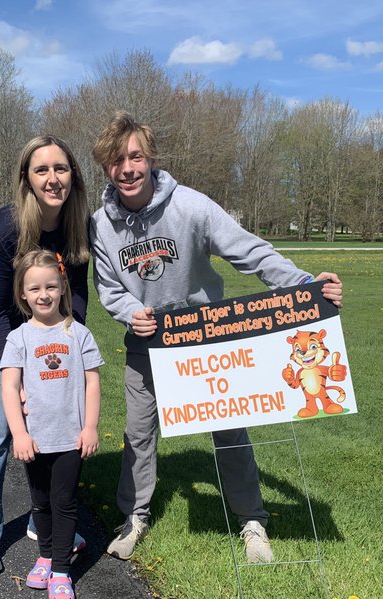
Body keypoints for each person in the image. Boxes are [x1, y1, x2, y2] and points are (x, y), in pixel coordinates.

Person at [90, 111, 343, 562]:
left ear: (151, 159)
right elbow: (108, 287)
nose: (127, 168)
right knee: (138, 434)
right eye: (116, 160)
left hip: (205, 338)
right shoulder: (100, 225)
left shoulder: (191, 206)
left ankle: (253, 521)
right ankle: (134, 517)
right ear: (106, 168)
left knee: (230, 432)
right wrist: (131, 313)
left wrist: (306, 284)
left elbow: (249, 250)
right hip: (147, 344)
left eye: (135, 157)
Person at [0, 135, 90, 574]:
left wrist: (72, 342)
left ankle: (45, 521)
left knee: (53, 419)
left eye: (61, 168)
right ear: (27, 178)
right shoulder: (7, 226)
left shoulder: (77, 225)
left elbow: (77, 295)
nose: (53, 178)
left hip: (48, 330)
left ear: (73, 175)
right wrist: (17, 372)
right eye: (42, 170)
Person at [0, 250, 103, 599]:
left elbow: (93, 383)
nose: (43, 295)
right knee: (40, 503)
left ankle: (61, 571)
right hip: (35, 440)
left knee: (64, 502)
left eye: (50, 287)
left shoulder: (80, 334)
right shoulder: (18, 338)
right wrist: (19, 433)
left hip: (71, 439)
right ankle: (45, 555)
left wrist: (91, 427)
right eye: (34, 288)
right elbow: (10, 388)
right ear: (22, 294)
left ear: (62, 288)